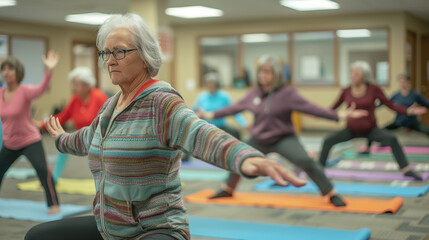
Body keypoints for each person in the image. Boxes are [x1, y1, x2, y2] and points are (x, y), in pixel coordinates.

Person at [25, 13, 306, 240]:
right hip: (110, 226)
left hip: (155, 228)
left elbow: (201, 133)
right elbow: (90, 137)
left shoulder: (161, 103)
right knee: (37, 236)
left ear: (146, 55)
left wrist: (246, 158)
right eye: (106, 52)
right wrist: (61, 138)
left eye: (120, 52)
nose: (110, 60)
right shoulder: (111, 106)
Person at [198, 55, 368, 207]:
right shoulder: (254, 93)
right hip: (258, 138)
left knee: (306, 161)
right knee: (238, 156)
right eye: (260, 72)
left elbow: (312, 108)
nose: (263, 75)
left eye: (267, 72)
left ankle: (331, 193)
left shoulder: (287, 93)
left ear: (276, 74)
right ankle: (228, 189)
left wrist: (340, 114)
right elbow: (234, 108)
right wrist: (208, 114)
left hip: (283, 138)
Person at [319, 61, 426, 180]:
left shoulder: (373, 89)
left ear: (365, 76)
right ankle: (318, 169)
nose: (352, 76)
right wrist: (317, 113)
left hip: (371, 130)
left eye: (356, 74)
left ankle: (406, 170)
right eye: (351, 73)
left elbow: (390, 104)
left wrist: (408, 111)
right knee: (328, 141)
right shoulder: (346, 91)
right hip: (351, 130)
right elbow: (333, 108)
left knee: (392, 139)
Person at [0, 51, 60, 214]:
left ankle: (53, 204)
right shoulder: (0, 94)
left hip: (29, 140)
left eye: (10, 69)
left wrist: (49, 70)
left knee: (43, 170)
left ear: (18, 72)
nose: (6, 72)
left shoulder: (25, 90)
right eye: (4, 69)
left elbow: (42, 88)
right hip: (9, 143)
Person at [37, 66, 108, 182]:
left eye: (76, 84)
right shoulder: (76, 99)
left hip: (100, 140)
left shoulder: (99, 96)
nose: (73, 87)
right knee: (62, 142)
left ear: (87, 85)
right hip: (83, 138)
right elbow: (62, 117)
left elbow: (108, 120)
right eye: (73, 84)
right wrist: (43, 124)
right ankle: (54, 178)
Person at [363, 73, 429, 152]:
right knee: (377, 131)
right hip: (399, 121)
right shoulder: (396, 95)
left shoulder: (414, 95)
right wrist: (372, 106)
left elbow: (426, 103)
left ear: (408, 82)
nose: (402, 84)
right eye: (400, 82)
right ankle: (368, 147)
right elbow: (386, 102)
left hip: (412, 122)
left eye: (404, 81)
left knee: (427, 131)